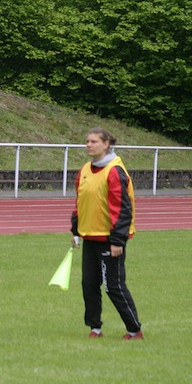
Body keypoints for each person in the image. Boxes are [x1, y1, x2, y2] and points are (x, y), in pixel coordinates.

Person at [70, 127, 143, 340]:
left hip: (109, 241)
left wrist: (117, 240)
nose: (89, 145)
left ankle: (134, 329)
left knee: (114, 286)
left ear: (106, 144)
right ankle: (95, 328)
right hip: (89, 237)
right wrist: (75, 231)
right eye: (87, 141)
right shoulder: (84, 170)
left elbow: (122, 208)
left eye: (93, 141)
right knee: (89, 285)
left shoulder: (115, 171)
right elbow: (79, 204)